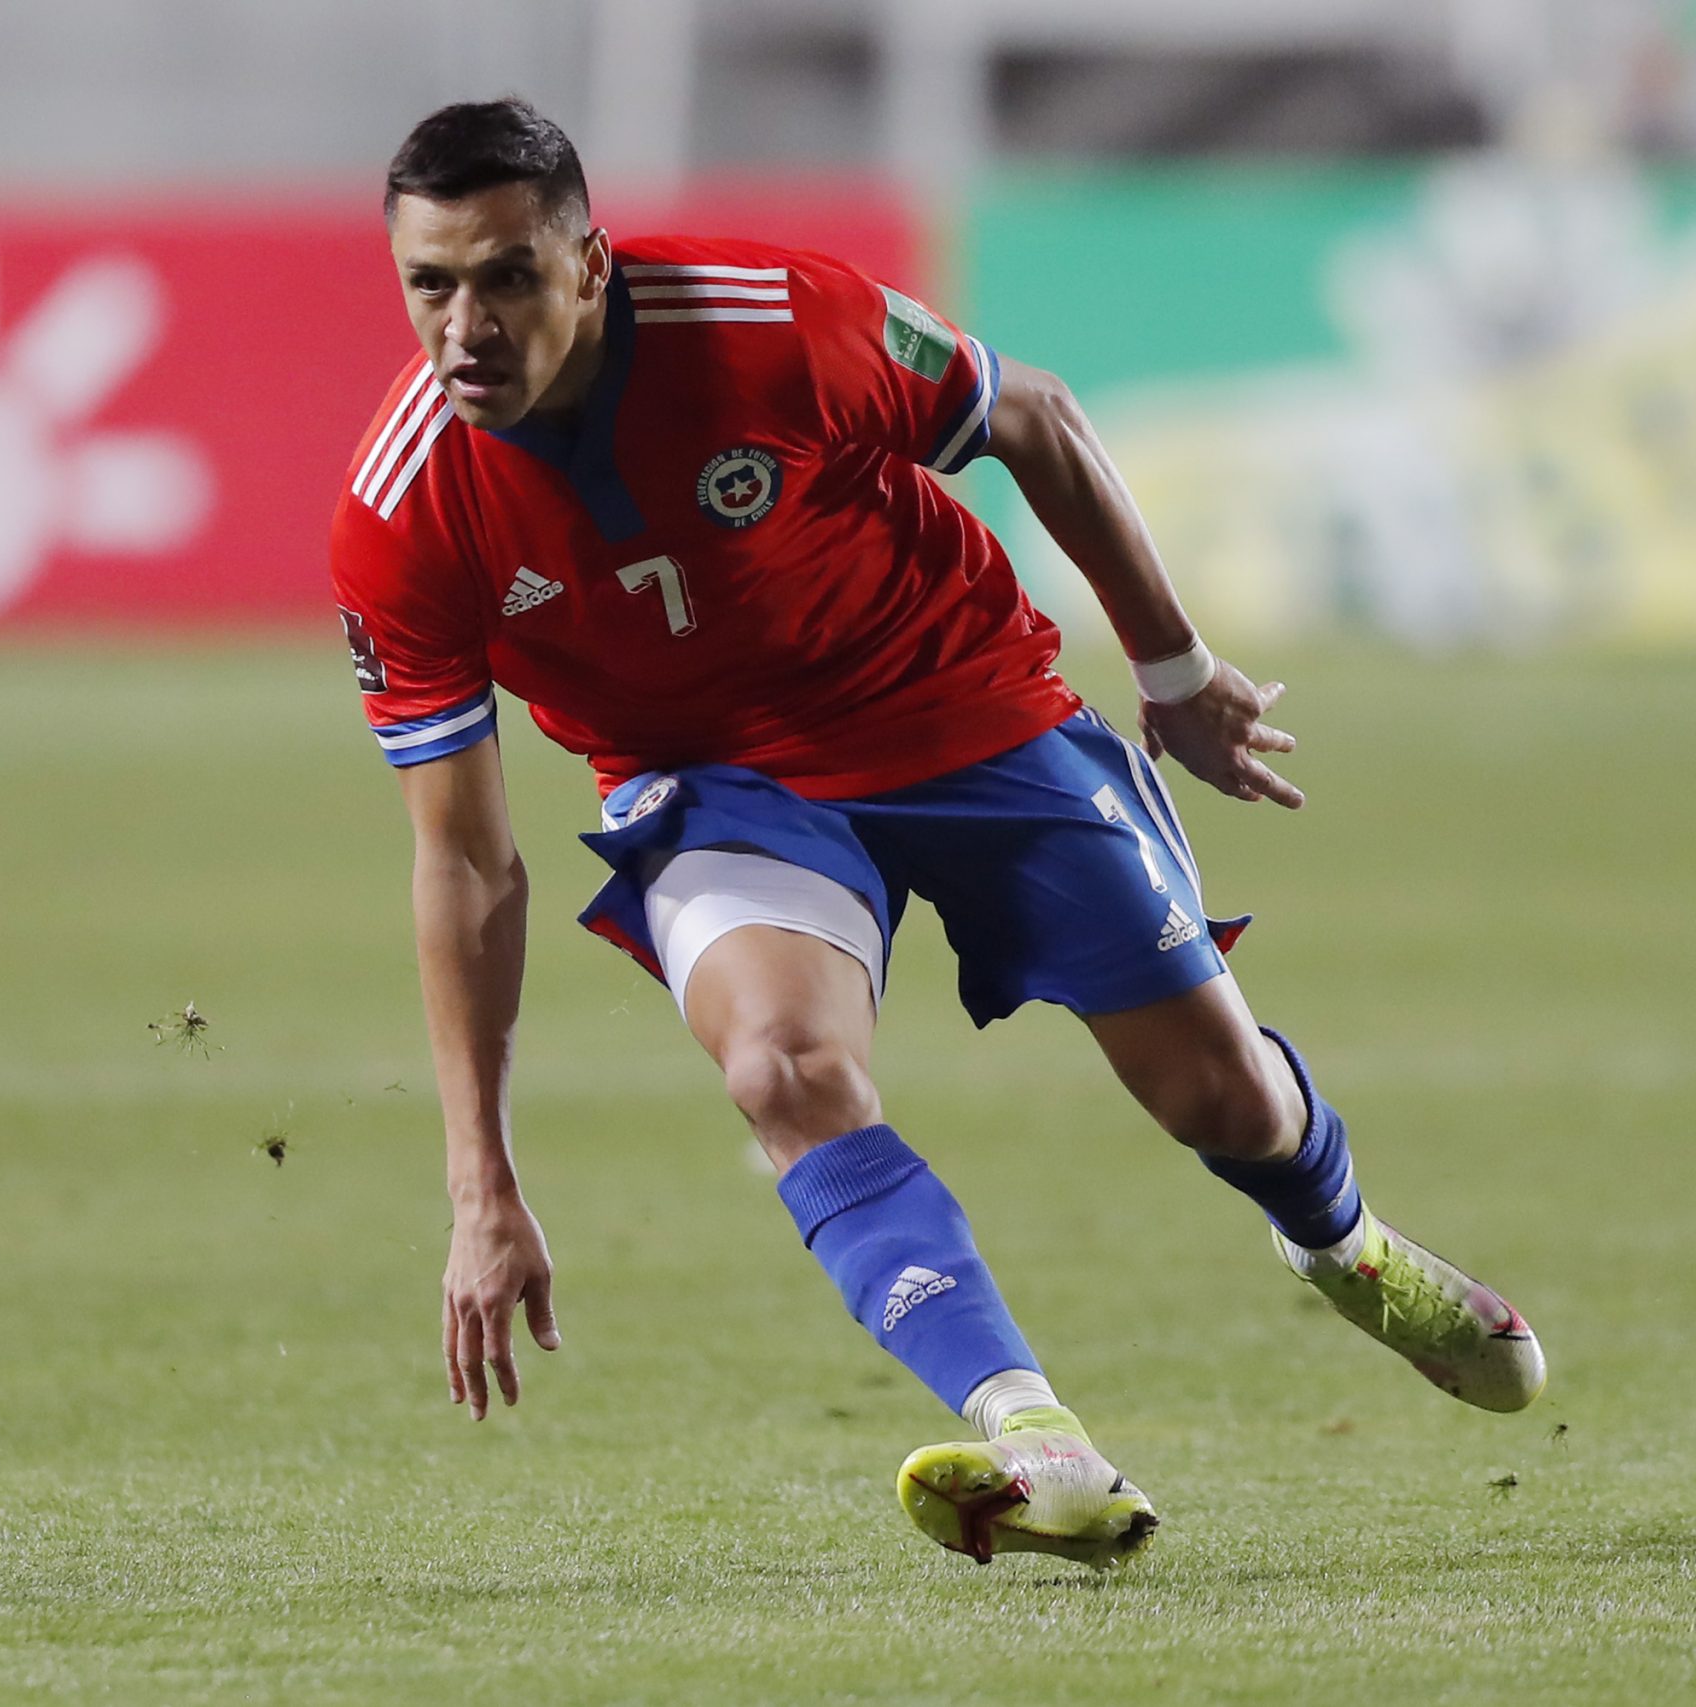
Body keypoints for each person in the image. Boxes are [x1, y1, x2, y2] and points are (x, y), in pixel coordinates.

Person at [328, 97, 1544, 1568]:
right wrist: (481, 1184)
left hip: (958, 698)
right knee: (782, 1068)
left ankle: (1342, 1243)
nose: (465, 329)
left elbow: (1035, 416)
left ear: (590, 264)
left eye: (507, 277)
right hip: (717, 780)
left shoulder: (771, 323)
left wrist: (1175, 673)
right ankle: (1040, 1442)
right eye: (430, 286)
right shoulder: (403, 513)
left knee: (1224, 1102)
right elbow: (466, 859)